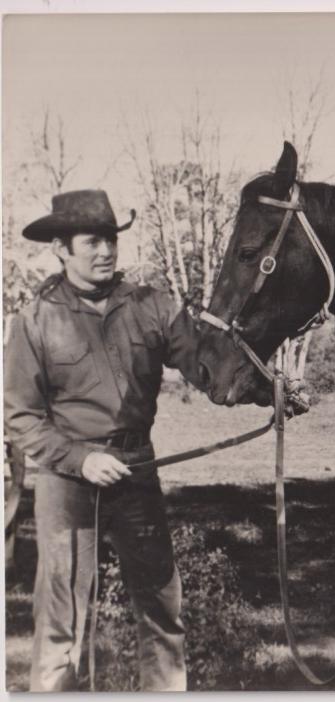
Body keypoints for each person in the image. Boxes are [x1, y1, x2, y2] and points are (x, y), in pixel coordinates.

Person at [4, 189, 204, 691]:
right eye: (92, 241)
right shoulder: (35, 321)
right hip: (66, 481)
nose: (105, 251)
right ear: (61, 248)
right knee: (60, 623)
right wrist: (80, 460)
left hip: (137, 469)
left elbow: (207, 365)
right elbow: (21, 418)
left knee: (162, 608)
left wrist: (268, 388)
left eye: (111, 239)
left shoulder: (151, 304)